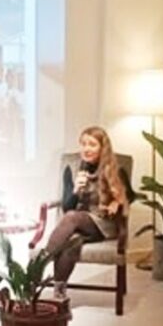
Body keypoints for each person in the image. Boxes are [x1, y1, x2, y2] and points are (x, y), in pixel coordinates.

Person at [46, 126, 128, 300]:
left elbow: (130, 195)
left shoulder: (114, 169)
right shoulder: (72, 168)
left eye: (92, 144)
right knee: (71, 244)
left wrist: (116, 202)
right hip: (78, 222)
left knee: (72, 217)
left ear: (102, 148)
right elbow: (67, 207)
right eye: (83, 144)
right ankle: (59, 293)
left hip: (103, 224)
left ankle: (42, 260)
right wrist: (76, 190)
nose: (86, 149)